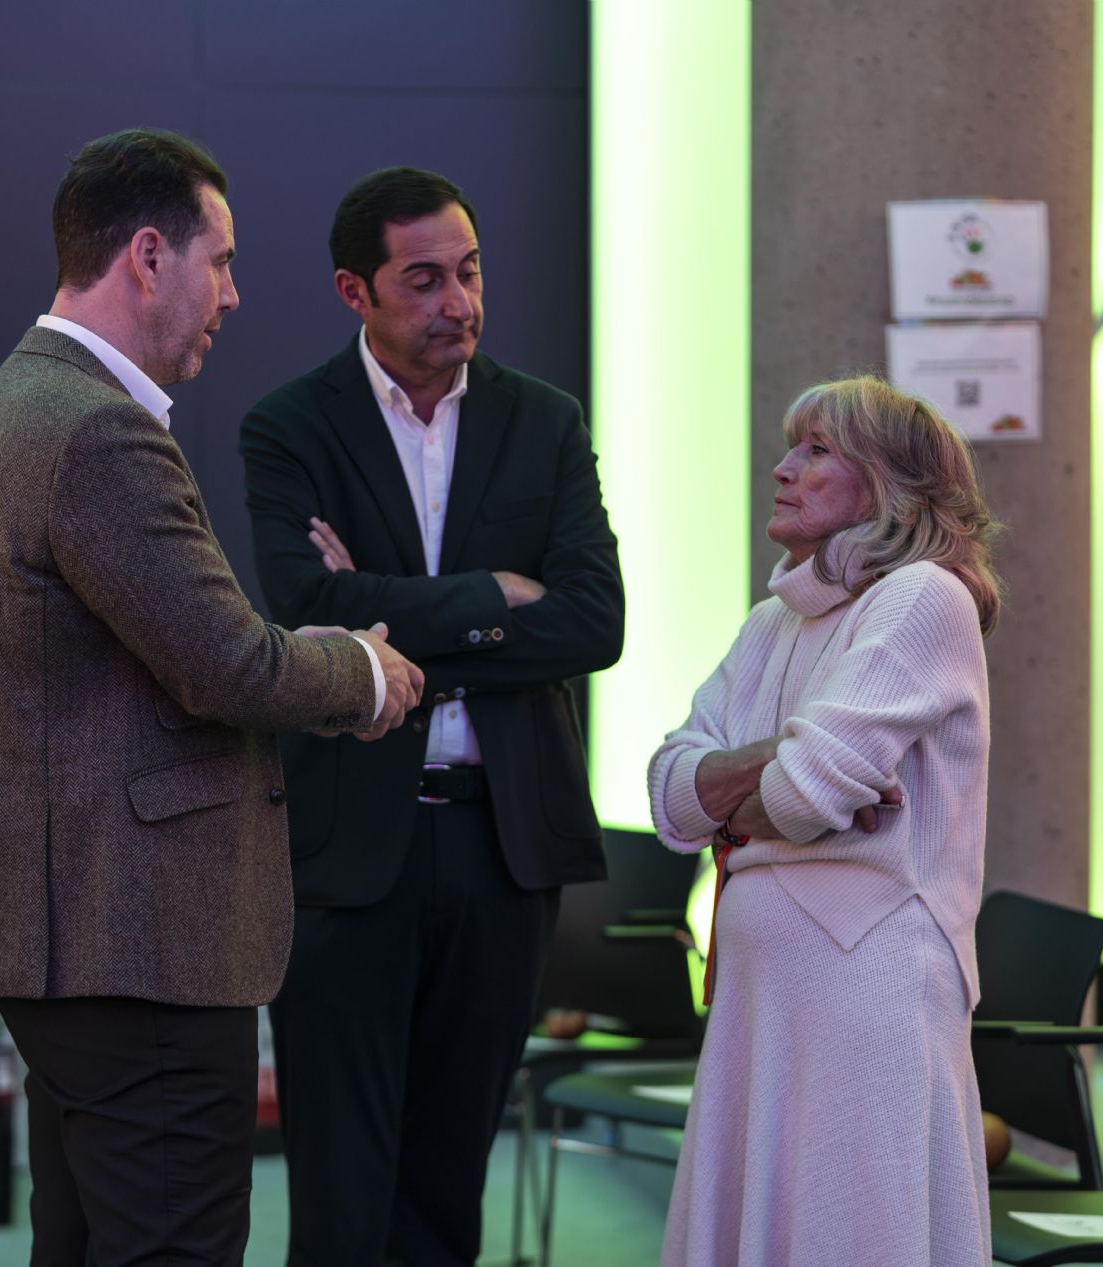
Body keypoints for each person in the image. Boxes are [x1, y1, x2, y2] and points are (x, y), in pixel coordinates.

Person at [0, 127, 424, 1267]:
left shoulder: (19, 405)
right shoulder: (98, 431)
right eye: (223, 262)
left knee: (86, 1242)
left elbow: (176, 649)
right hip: (137, 944)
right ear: (149, 256)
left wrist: (288, 646)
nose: (233, 296)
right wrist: (362, 670)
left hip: (76, 941)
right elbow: (227, 666)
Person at [239, 166, 624, 1266]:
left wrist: (385, 613)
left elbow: (593, 623)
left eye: (470, 271)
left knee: (447, 1192)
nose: (458, 301)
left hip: (503, 846)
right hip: (352, 847)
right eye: (424, 280)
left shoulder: (542, 421)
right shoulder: (290, 427)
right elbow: (305, 610)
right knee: (342, 1199)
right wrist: (496, 593)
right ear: (354, 290)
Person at [647, 375, 1002, 1266]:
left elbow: (802, 798)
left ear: (887, 483)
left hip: (862, 993)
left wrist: (743, 801)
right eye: (790, 446)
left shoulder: (924, 597)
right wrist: (780, 762)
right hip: (762, 1002)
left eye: (816, 450)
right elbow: (668, 796)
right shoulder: (772, 622)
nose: (783, 468)